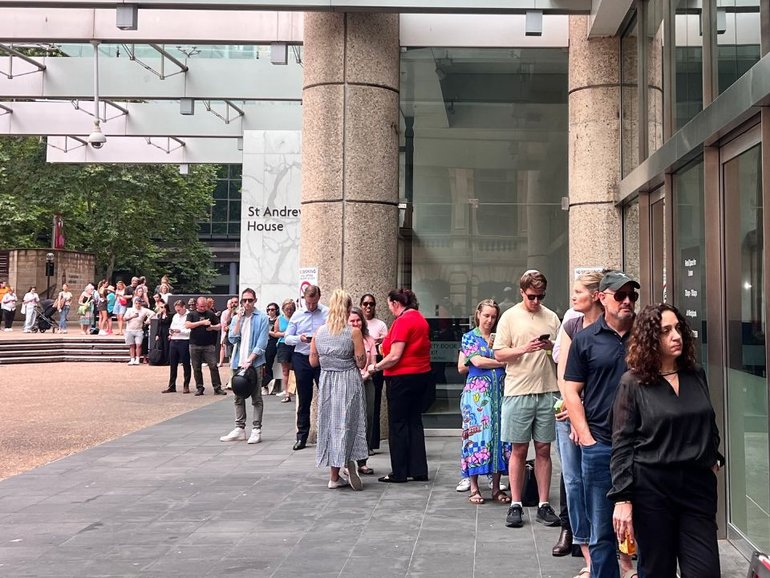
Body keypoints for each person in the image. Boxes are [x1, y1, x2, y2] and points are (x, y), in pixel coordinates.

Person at [610, 304, 723, 578]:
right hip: (653, 489)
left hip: (697, 488)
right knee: (657, 570)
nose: (677, 336)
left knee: (704, 571)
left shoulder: (695, 373)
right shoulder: (633, 383)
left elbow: (707, 421)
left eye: (678, 328)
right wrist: (623, 498)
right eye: (666, 331)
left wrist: (713, 456)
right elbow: (622, 444)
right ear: (650, 338)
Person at [563, 270, 640, 578]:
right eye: (620, 295)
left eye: (631, 296)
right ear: (602, 297)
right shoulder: (585, 339)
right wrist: (585, 437)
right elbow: (571, 389)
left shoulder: (646, 337)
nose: (627, 301)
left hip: (643, 446)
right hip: (601, 444)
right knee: (602, 531)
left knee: (648, 527)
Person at [493, 270, 561, 529]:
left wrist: (550, 347)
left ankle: (544, 503)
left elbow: (561, 354)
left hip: (546, 390)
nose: (536, 301)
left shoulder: (552, 317)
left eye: (541, 296)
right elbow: (499, 354)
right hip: (518, 390)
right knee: (518, 450)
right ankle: (516, 503)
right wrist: (525, 348)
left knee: (544, 449)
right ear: (522, 292)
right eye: (532, 296)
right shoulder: (509, 317)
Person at [553, 271, 605, 566]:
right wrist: (573, 414)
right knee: (573, 481)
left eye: (578, 292)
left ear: (596, 295)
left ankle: (609, 545)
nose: (573, 297)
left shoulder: (609, 327)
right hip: (569, 412)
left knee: (597, 481)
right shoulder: (572, 324)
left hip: (597, 414)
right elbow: (564, 375)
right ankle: (586, 552)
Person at [368, 288, 431, 483]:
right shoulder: (420, 318)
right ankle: (419, 469)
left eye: (389, 305)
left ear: (396, 303)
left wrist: (376, 366)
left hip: (401, 378)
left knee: (398, 425)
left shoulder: (403, 321)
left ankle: (400, 472)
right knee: (414, 422)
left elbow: (395, 356)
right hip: (421, 375)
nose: (390, 309)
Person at [310, 289, 368, 490]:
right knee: (349, 421)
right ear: (348, 307)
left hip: (327, 380)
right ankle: (349, 459)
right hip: (348, 379)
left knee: (331, 423)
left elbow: (313, 360)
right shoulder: (353, 332)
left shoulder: (319, 332)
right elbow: (361, 363)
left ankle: (334, 475)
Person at [459, 299, 510, 504]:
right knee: (475, 436)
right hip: (477, 396)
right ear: (478, 314)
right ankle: (473, 487)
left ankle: (496, 488)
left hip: (499, 392)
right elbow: (476, 361)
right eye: (486, 315)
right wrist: (502, 362)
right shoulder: (469, 337)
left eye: (493, 316)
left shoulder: (500, 338)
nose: (489, 320)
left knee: (498, 436)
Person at [220, 288, 270, 444]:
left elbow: (262, 343)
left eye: (250, 300)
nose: (247, 303)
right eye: (244, 300)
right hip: (238, 362)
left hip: (254, 363)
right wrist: (238, 321)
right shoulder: (237, 318)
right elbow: (233, 339)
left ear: (255, 301)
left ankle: (256, 429)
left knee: (256, 397)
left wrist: (251, 359)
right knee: (238, 396)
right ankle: (239, 428)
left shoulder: (262, 318)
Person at [284, 285, 329, 450]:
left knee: (326, 395)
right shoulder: (297, 315)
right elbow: (287, 338)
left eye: (314, 303)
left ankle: (326, 434)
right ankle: (302, 436)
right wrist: (299, 338)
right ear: (304, 299)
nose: (311, 306)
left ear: (319, 298)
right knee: (304, 398)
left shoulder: (326, 312)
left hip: (321, 357)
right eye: (308, 303)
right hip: (301, 357)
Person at [348, 306, 376, 475]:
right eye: (352, 321)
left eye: (358, 320)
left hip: (366, 382)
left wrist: (366, 374)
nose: (356, 323)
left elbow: (372, 362)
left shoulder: (369, 339)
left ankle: (362, 461)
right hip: (350, 382)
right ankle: (347, 461)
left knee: (367, 419)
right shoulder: (344, 338)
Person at [359, 293, 388, 452]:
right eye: (365, 304)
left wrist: (380, 342)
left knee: (373, 406)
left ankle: (371, 442)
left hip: (374, 366)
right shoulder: (357, 323)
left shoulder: (380, 325)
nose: (368, 307)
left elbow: (386, 344)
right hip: (359, 368)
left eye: (371, 304)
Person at [186, 296, 226, 396]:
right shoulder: (192, 314)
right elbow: (187, 325)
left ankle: (217, 387)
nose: (203, 308)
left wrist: (212, 327)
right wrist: (202, 322)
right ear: (197, 305)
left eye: (204, 306)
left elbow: (219, 326)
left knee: (213, 366)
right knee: (196, 367)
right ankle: (199, 387)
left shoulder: (210, 314)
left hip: (209, 345)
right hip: (195, 344)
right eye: (201, 306)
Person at [163, 300, 192, 393]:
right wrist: (171, 332)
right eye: (176, 310)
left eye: (179, 310)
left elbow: (191, 331)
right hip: (174, 341)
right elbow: (172, 326)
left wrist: (180, 331)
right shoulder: (175, 316)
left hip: (184, 341)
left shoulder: (189, 316)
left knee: (186, 364)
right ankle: (171, 385)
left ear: (184, 307)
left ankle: (186, 385)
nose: (178, 312)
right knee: (173, 364)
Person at [274, 298, 297, 403]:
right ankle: (287, 392)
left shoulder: (296, 318)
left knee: (296, 368)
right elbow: (275, 332)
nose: (289, 311)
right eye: (287, 309)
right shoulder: (279, 319)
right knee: (285, 370)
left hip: (294, 344)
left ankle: (296, 391)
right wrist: (285, 334)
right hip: (283, 344)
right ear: (283, 309)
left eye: (291, 309)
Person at [123, 298, 155, 365]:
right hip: (129, 329)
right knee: (131, 345)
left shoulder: (144, 310)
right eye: (136, 303)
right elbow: (125, 318)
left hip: (139, 330)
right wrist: (132, 316)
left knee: (139, 345)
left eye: (139, 303)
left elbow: (153, 313)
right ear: (134, 303)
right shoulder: (130, 310)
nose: (138, 305)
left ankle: (137, 358)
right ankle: (132, 359)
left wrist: (148, 319)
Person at [264, 302, 280, 392]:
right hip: (265, 342)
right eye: (269, 309)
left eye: (272, 309)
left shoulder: (278, 320)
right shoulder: (266, 320)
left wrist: (268, 332)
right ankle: (267, 381)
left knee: (268, 362)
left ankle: (269, 380)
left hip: (273, 342)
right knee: (265, 363)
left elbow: (276, 333)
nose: (270, 311)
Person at [218, 297, 237, 368]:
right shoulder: (225, 313)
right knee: (226, 349)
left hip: (236, 334)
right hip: (227, 334)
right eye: (231, 303)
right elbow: (224, 325)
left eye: (235, 303)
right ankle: (223, 362)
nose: (233, 305)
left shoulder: (239, 312)